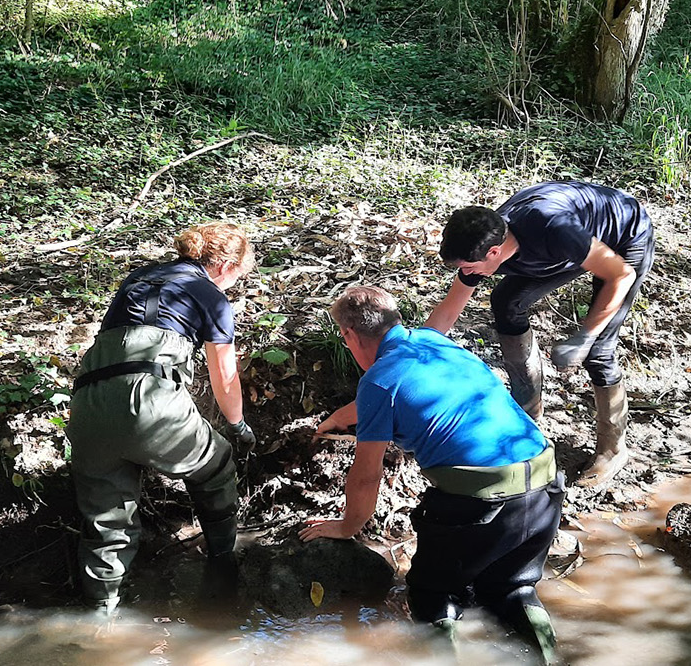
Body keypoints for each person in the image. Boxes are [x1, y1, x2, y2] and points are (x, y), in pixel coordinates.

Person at [302, 286, 563, 662]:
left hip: (482, 503)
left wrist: (347, 526)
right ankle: (553, 658)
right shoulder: (430, 341)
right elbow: (399, 391)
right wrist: (337, 419)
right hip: (544, 487)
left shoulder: (378, 381)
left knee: (431, 592)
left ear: (349, 335)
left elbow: (366, 475)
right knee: (513, 588)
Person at [66, 222, 257, 611]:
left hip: (88, 403)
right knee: (216, 464)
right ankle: (222, 561)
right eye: (239, 275)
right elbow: (224, 375)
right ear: (223, 265)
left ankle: (99, 622)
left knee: (107, 522)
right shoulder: (212, 296)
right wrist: (237, 426)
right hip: (150, 402)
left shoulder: (139, 278)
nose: (235, 284)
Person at [424, 181, 654, 489]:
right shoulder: (483, 242)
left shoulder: (553, 229)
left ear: (494, 252)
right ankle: (528, 410)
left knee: (598, 351)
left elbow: (621, 275)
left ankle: (613, 450)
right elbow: (449, 311)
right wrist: (414, 353)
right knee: (505, 302)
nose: (468, 272)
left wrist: (585, 336)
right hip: (571, 248)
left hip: (623, 237)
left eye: (470, 267)